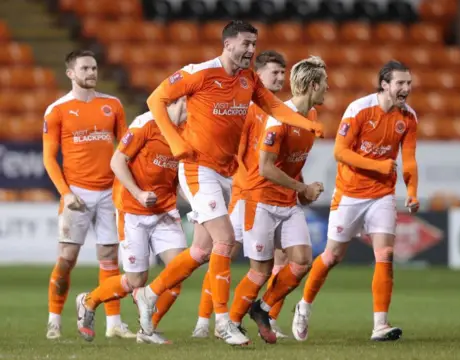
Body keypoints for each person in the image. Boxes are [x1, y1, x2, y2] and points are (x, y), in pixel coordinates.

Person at [132, 20, 323, 346]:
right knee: (225, 238)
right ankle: (223, 322)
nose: (251, 50)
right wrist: (174, 142)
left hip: (223, 172)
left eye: (254, 44)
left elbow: (275, 106)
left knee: (201, 251)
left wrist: (305, 123)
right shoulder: (200, 72)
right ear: (228, 44)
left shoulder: (248, 79)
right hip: (196, 168)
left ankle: (149, 294)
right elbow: (155, 100)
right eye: (246, 43)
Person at [291, 60, 419, 342]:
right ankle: (304, 306)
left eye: (408, 83)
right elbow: (340, 152)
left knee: (384, 254)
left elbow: (408, 160)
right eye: (400, 83)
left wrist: (411, 191)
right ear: (385, 84)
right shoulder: (359, 109)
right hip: (349, 193)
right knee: (332, 256)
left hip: (382, 195)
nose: (405, 89)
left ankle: (380, 325)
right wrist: (379, 166)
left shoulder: (408, 117)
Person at [229, 56, 328, 344]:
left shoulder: (309, 119)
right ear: (312, 85)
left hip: (288, 203)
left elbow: (292, 164)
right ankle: (232, 323)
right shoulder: (277, 119)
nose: (328, 90)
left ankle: (261, 308)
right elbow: (266, 167)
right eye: (325, 84)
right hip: (260, 201)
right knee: (259, 271)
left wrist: (301, 192)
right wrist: (303, 187)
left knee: (302, 260)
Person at [192, 50, 290, 339]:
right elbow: (234, 154)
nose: (281, 78)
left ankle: (267, 319)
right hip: (244, 195)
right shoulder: (245, 109)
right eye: (275, 73)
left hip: (271, 196)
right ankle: (203, 320)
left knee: (277, 260)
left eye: (283, 73)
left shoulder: (280, 111)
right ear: (257, 76)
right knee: (222, 252)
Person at [75, 98, 188, 345]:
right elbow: (117, 162)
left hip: (164, 211)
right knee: (136, 280)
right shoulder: (146, 123)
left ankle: (147, 331)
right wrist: (139, 193)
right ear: (181, 99)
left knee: (178, 271)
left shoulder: (190, 130)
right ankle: (89, 301)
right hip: (133, 210)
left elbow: (181, 171)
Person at [42, 50, 135, 340]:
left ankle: (114, 324)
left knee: (109, 257)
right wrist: (65, 193)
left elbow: (127, 148)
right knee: (67, 258)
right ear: (71, 73)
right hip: (77, 195)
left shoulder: (113, 105)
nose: (91, 72)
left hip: (110, 192)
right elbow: (48, 158)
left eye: (94, 67)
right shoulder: (57, 110)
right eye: (84, 68)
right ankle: (54, 321)